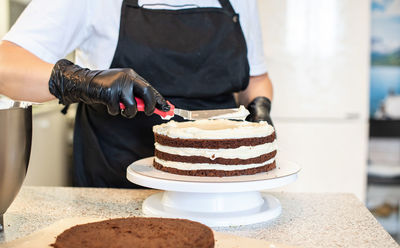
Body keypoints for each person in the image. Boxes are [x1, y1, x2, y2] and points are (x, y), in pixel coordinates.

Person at [0, 0, 274, 188]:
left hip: (220, 190)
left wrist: (261, 106)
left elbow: (256, 79)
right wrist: (83, 81)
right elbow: (5, 66)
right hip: (115, 184)